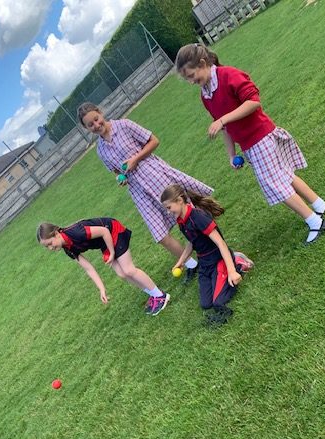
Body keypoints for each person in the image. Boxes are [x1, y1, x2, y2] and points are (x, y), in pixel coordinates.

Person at [174, 44, 325, 246]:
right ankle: (320, 205)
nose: (191, 81)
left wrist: (222, 120)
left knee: (275, 185)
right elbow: (226, 126)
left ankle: (315, 221)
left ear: (203, 63)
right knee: (285, 176)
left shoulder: (229, 75)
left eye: (191, 75)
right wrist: (231, 154)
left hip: (262, 137)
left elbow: (253, 101)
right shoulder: (206, 94)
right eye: (187, 78)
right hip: (250, 145)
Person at [77, 102, 213, 282]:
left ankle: (212, 246)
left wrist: (135, 159)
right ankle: (191, 264)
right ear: (86, 128)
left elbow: (154, 141)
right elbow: (116, 171)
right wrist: (121, 178)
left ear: (101, 113)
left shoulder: (124, 125)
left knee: (187, 215)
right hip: (137, 190)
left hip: (153, 174)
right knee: (160, 234)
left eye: (96, 119)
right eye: (90, 125)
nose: (96, 125)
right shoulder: (101, 150)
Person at [37, 218, 170, 316]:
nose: (50, 248)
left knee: (129, 269)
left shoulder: (76, 233)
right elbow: (88, 268)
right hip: (104, 242)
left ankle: (160, 296)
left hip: (112, 231)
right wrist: (101, 289)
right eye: (46, 247)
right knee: (122, 274)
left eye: (50, 243)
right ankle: (153, 295)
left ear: (56, 233)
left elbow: (104, 231)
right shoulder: (68, 249)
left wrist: (112, 252)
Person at [161, 184, 251, 325]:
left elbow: (220, 243)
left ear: (179, 201)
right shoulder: (181, 220)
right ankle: (230, 266)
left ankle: (237, 263)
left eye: (168, 208)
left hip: (218, 259)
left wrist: (232, 272)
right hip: (205, 264)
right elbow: (192, 242)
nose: (168, 212)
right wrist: (181, 261)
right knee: (206, 304)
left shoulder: (198, 217)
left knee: (218, 302)